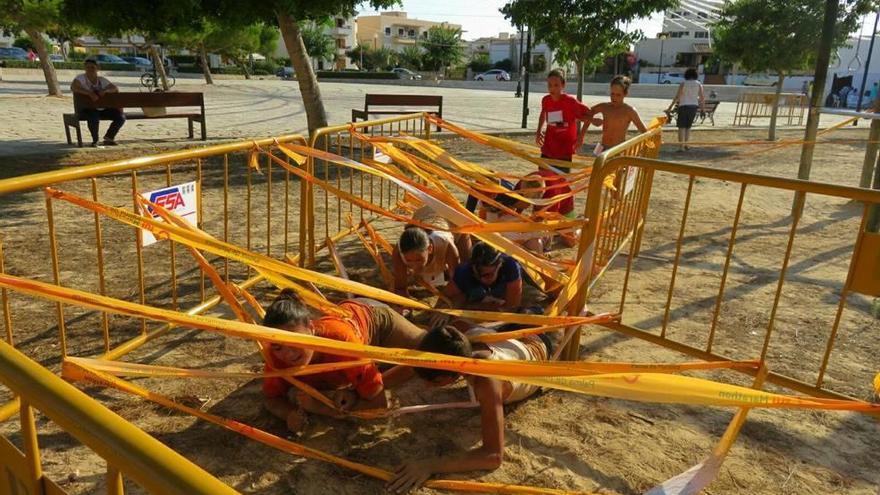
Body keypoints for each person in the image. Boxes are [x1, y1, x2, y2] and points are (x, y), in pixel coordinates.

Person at [386, 321, 563, 493]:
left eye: (434, 381)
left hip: (539, 344)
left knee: (539, 319)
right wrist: (376, 385)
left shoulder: (487, 382)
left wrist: (429, 465)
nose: (426, 386)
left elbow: (493, 456)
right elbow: (417, 363)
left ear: (454, 374)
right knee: (458, 324)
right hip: (508, 336)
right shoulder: (460, 340)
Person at [261, 289, 426, 430]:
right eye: (278, 347)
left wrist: (323, 407)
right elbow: (271, 398)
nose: (288, 354)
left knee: (427, 352)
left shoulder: (340, 342)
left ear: (311, 329)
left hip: (373, 318)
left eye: (294, 343)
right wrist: (288, 415)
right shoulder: (274, 355)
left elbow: (379, 403)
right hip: (350, 331)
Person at [434, 242, 523, 321]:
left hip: (504, 297)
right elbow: (444, 299)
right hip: (478, 300)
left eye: (488, 275)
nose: (482, 279)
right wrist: (446, 308)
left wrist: (470, 307)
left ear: (499, 265)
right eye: (477, 275)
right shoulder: (464, 272)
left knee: (528, 310)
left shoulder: (510, 267)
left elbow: (512, 308)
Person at [536, 68, 594, 173]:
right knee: (543, 176)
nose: (552, 88)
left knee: (561, 181)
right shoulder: (546, 100)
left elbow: (589, 114)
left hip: (564, 149)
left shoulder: (570, 102)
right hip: (549, 146)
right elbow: (543, 113)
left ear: (563, 85)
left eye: (556, 85)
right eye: (549, 85)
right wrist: (539, 130)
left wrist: (581, 136)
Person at [578, 75, 647, 155]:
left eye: (618, 95)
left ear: (625, 94)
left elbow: (644, 132)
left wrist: (646, 145)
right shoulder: (604, 107)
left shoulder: (629, 111)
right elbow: (583, 115)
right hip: (601, 146)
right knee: (594, 166)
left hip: (619, 149)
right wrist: (581, 136)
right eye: (612, 94)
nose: (614, 97)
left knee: (617, 167)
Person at [391, 222, 460, 297]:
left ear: (430, 249)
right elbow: (400, 288)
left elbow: (457, 284)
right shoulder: (398, 251)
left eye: (419, 260)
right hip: (422, 217)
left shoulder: (446, 245)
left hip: (453, 224)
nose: (415, 266)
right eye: (408, 260)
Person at [70, 58, 125, 147]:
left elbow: (114, 88)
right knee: (93, 116)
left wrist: (105, 90)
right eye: (88, 67)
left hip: (102, 109)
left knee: (120, 117)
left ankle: (109, 137)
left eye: (92, 67)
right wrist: (89, 93)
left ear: (97, 68)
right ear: (85, 68)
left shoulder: (101, 80)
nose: (90, 69)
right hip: (86, 109)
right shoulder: (80, 78)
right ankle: (95, 140)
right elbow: (74, 87)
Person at [665, 67, 704, 152]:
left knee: (681, 127)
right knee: (688, 127)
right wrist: (702, 109)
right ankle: (686, 144)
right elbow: (701, 98)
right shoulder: (699, 84)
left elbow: (677, 96)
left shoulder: (683, 83)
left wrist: (670, 107)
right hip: (693, 107)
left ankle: (681, 146)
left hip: (683, 106)